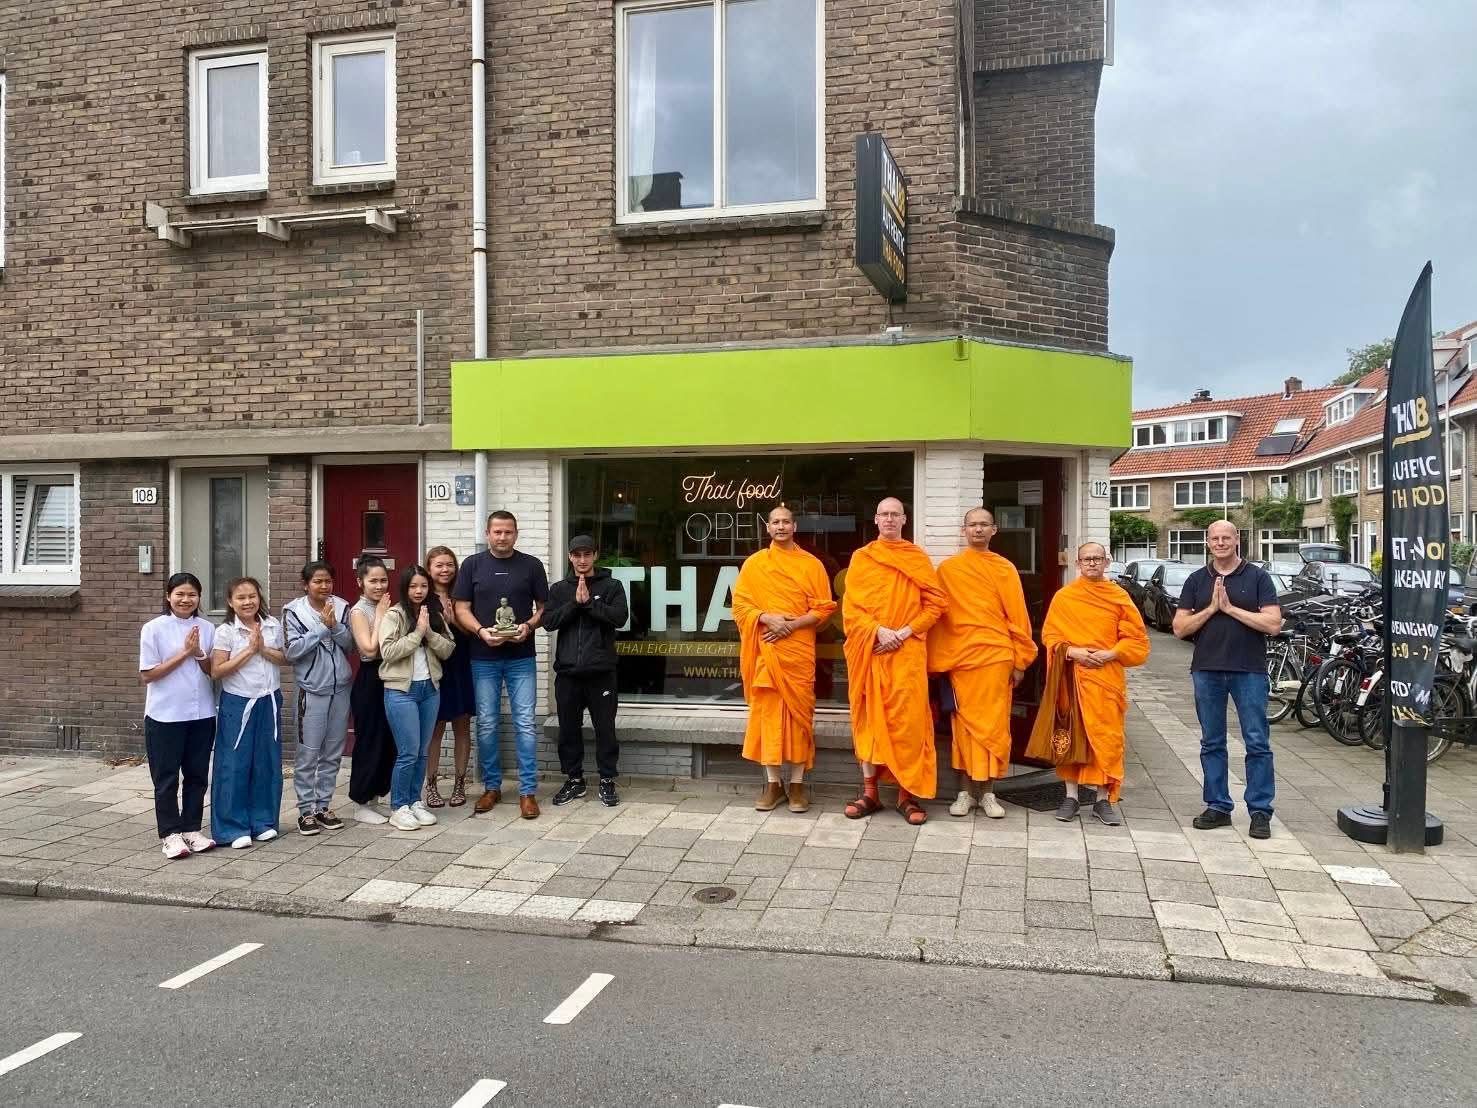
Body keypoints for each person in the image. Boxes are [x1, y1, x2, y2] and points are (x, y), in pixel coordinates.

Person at [1173, 520, 1282, 839]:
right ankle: (1218, 806)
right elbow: (1180, 628)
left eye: (1226, 538)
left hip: (1249, 670)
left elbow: (1272, 624)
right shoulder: (1196, 580)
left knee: (1257, 741)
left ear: (1237, 540)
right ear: (1207, 543)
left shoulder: (1258, 577)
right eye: (1214, 538)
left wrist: (1231, 608)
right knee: (1212, 741)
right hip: (1207, 669)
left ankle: (1260, 811)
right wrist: (1211, 609)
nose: (1220, 543)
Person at [842, 497, 948, 825]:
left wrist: (903, 632)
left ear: (904, 519)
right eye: (884, 514)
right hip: (871, 650)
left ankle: (907, 795)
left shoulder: (916, 558)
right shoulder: (862, 558)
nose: (889, 519)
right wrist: (878, 631)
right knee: (870, 721)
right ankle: (870, 793)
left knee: (909, 724)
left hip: (907, 653)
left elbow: (936, 605)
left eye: (895, 514)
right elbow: (851, 609)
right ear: (875, 519)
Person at [929, 508, 1037, 819]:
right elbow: (939, 618)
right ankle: (964, 792)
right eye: (972, 525)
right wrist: (940, 659)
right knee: (963, 728)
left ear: (994, 530)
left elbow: (1018, 617)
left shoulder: (1005, 569)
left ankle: (989, 792)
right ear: (964, 530)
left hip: (995, 657)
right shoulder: (948, 570)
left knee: (994, 727)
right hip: (961, 659)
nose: (978, 530)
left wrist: (1021, 660)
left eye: (984, 525)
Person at [732, 504, 837, 813]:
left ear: (794, 526)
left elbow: (824, 608)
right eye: (775, 522)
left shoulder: (812, 564)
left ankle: (797, 785)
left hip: (798, 652)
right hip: (766, 650)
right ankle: (772, 784)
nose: (780, 526)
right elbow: (740, 606)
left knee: (799, 719)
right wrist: (766, 617)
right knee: (767, 718)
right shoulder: (754, 564)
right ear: (768, 528)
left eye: (786, 522)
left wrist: (790, 624)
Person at [1040, 543, 1150, 825]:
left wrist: (1112, 653)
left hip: (1105, 678)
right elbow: (1050, 637)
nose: (1092, 563)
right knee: (1071, 736)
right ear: (1078, 563)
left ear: (1107, 562)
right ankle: (1071, 796)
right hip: (1072, 677)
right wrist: (1073, 651)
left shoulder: (1118, 597)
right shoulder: (1065, 598)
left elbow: (1137, 640)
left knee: (1108, 740)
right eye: (1087, 559)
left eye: (1097, 559)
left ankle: (1103, 799)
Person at [453, 510, 549, 819]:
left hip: (521, 658)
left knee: (524, 723)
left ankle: (527, 792)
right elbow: (461, 608)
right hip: (483, 657)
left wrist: (529, 627)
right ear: (487, 534)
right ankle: (491, 787)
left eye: (508, 532)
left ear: (516, 534)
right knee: (487, 723)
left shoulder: (531, 565)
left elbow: (544, 609)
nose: (503, 537)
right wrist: (481, 631)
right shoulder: (472, 565)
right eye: (497, 532)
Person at [542, 534, 630, 808]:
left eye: (587, 554)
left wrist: (590, 603)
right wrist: (574, 604)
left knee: (605, 728)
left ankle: (606, 780)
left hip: (601, 671)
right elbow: (548, 622)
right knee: (569, 729)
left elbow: (620, 618)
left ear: (595, 555)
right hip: (568, 673)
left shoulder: (612, 585)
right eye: (576, 555)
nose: (582, 560)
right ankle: (574, 780)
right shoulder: (558, 589)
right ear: (570, 557)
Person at [139, 572, 217, 860]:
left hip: (201, 714)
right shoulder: (153, 629)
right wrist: (184, 653)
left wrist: (198, 654)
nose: (186, 600)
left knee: (197, 775)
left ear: (199, 598)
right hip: (165, 715)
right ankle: (170, 834)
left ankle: (192, 829)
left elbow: (212, 671)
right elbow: (149, 674)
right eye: (180, 594)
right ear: (168, 596)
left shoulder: (208, 627)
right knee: (167, 778)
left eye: (192, 595)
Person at [379, 564, 457, 831]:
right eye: (413, 586)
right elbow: (388, 651)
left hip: (429, 690)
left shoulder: (433, 613)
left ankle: (414, 801)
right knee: (408, 752)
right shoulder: (394, 615)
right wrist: (417, 634)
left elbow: (448, 649)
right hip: (402, 691)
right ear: (404, 587)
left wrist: (430, 632)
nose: (419, 591)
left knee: (422, 752)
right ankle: (398, 806)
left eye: (423, 585)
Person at [210, 577, 286, 849]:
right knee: (234, 765)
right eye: (241, 598)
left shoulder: (272, 624)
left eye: (252, 596)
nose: (248, 602)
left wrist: (263, 648)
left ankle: (263, 822)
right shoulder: (226, 632)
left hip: (269, 699)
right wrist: (249, 651)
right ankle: (231, 827)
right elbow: (217, 670)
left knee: (266, 763)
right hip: (238, 703)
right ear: (230, 602)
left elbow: (283, 658)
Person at [283, 560, 354, 836]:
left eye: (328, 581)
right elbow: (292, 652)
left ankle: (323, 806)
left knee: (333, 752)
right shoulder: (293, 611)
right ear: (306, 584)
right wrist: (323, 629)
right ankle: (305, 810)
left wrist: (335, 626)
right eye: (317, 582)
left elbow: (350, 645)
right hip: (311, 690)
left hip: (340, 689)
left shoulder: (342, 606)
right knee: (308, 752)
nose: (324, 586)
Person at [424, 545, 475, 808]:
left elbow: (474, 633)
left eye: (449, 564)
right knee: (435, 728)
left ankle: (459, 783)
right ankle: (431, 785)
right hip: (435, 668)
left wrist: (454, 620)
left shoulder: (463, 595)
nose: (445, 570)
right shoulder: (422, 596)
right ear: (429, 568)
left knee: (462, 725)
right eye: (439, 565)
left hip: (462, 665)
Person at [347, 556, 395, 824]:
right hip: (370, 679)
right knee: (369, 741)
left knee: (387, 741)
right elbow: (368, 649)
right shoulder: (359, 611)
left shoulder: (387, 606)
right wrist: (379, 616)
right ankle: (360, 801)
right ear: (360, 582)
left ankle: (376, 798)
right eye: (373, 580)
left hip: (390, 677)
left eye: (383, 580)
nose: (379, 585)